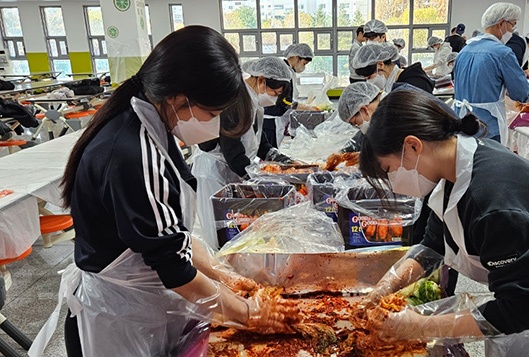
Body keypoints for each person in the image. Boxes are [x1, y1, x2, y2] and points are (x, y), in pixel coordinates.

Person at [30, 26, 297, 357]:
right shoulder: (134, 152)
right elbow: (175, 268)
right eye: (212, 114)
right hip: (116, 322)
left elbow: (173, 233)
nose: (214, 124)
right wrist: (249, 314)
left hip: (140, 306)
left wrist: (223, 274)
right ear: (180, 98)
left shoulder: (153, 126)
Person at [356, 89, 529, 356]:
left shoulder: (492, 203)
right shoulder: (452, 170)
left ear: (413, 146)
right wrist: (387, 286)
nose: (393, 183)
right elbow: (434, 246)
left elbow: (522, 308)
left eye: (389, 170)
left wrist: (423, 326)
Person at [191, 57, 294, 249]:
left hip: (233, 170)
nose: (274, 98)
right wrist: (258, 181)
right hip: (213, 173)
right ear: (261, 80)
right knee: (219, 235)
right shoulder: (236, 102)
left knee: (236, 230)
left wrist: (283, 161)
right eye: (274, 92)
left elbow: (259, 141)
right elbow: (234, 154)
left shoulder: (254, 103)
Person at [453, 2, 529, 144]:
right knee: (488, 162)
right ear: (501, 23)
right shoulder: (502, 53)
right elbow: (520, 93)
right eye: (512, 25)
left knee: (466, 162)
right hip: (486, 125)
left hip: (461, 120)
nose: (512, 30)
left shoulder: (465, 50)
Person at [263, 43, 317, 148]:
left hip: (278, 118)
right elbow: (284, 100)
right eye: (304, 63)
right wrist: (304, 107)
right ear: (297, 58)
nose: (303, 67)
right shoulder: (284, 72)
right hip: (272, 119)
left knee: (273, 149)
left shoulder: (288, 71)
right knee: (269, 152)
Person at [353, 42, 434, 95]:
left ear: (380, 65)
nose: (369, 82)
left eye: (369, 78)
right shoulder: (395, 82)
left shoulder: (412, 85)